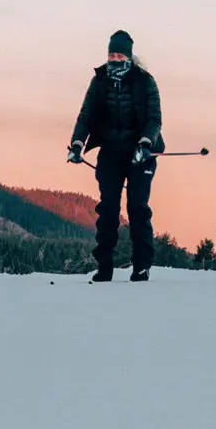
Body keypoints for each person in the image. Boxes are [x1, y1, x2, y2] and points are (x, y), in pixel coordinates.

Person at [66, 30, 164, 282]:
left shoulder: (145, 81)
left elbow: (154, 119)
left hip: (141, 152)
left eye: (119, 54)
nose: (114, 58)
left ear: (129, 56)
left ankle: (141, 266)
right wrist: (76, 144)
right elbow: (85, 116)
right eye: (111, 54)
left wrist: (145, 144)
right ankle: (104, 265)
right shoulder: (99, 81)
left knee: (137, 207)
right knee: (108, 207)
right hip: (110, 151)